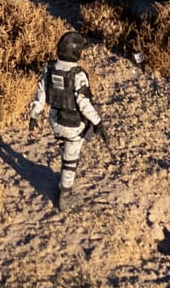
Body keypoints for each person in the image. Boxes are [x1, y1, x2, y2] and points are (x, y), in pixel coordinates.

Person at [28, 32, 110, 212]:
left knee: (64, 144)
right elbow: (84, 104)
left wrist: (33, 117)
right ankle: (65, 196)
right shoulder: (78, 74)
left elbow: (41, 97)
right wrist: (98, 123)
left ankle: (64, 163)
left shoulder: (49, 69)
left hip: (55, 121)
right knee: (70, 159)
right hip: (72, 125)